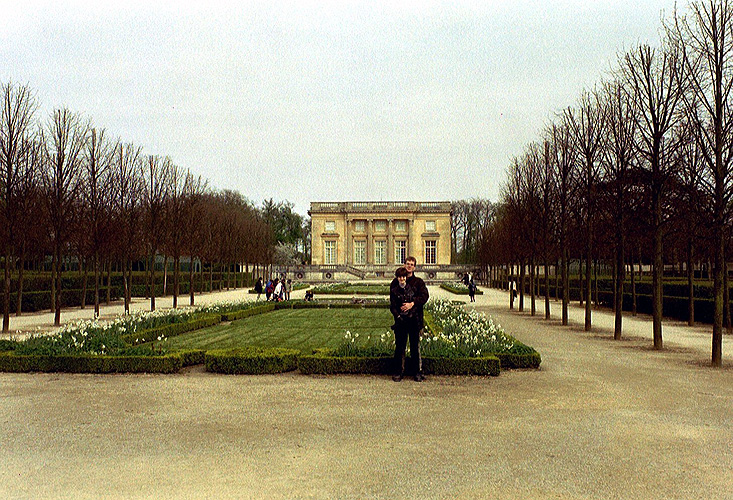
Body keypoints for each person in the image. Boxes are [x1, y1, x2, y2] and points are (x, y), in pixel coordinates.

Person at [389, 256, 429, 382]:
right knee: (400, 346)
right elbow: (392, 303)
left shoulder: (418, 282)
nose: (410, 266)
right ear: (404, 265)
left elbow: (425, 297)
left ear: (415, 267)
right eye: (408, 263)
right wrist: (398, 315)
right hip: (401, 320)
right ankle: (398, 372)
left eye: (412, 264)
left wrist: (412, 303)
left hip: (415, 320)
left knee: (415, 346)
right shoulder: (395, 282)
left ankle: (417, 372)